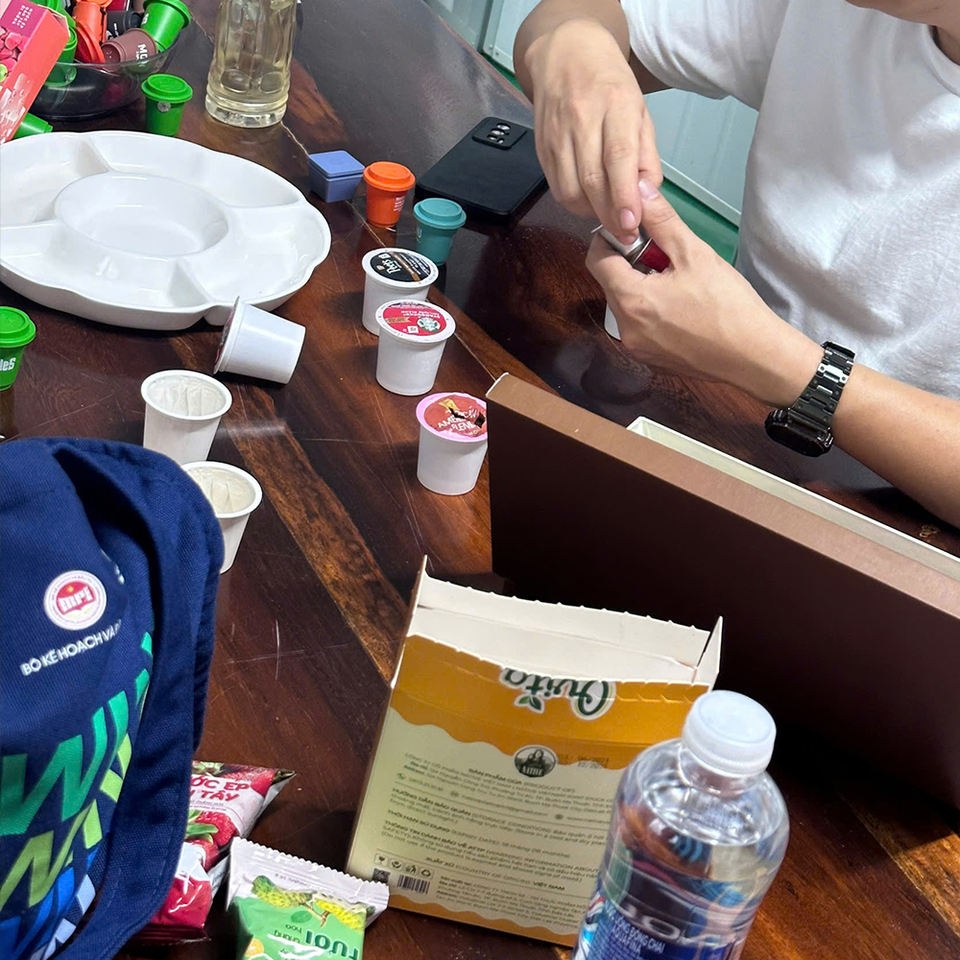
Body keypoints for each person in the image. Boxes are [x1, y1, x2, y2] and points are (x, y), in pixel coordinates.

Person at [515, 0, 960, 527]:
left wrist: (772, 361)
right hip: (724, 425)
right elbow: (574, 16)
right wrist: (570, 43)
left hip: (899, 526)